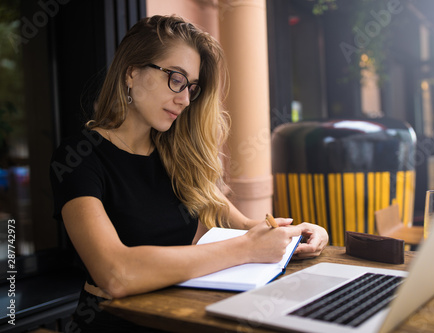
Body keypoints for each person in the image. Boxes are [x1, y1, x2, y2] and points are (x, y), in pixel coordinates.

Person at [50, 15, 328, 332]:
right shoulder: (78, 158)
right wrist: (247, 248)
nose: (184, 99)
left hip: (182, 319)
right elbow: (115, 273)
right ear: (131, 73)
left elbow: (251, 228)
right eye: (176, 79)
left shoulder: (178, 156)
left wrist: (300, 233)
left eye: (191, 87)